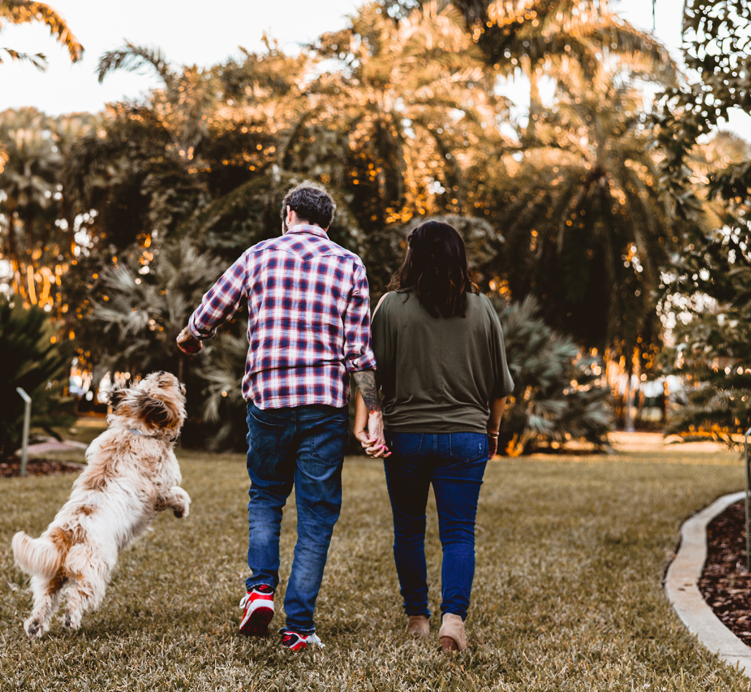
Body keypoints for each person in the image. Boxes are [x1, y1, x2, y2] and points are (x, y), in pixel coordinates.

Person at [177, 181, 383, 652]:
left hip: (268, 401)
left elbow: (211, 310)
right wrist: (373, 410)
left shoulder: (259, 255)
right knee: (316, 513)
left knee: (267, 495)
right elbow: (360, 352)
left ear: (288, 213)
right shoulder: (349, 264)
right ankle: (299, 628)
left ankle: (259, 592)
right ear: (326, 223)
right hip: (323, 406)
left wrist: (190, 337)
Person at [354, 220, 512, 654]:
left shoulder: (390, 307)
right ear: (458, 257)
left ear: (413, 256)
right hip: (466, 437)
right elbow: (500, 386)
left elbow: (369, 372)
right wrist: (492, 430)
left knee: (408, 529)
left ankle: (417, 620)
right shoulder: (482, 309)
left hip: (406, 438)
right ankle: (453, 621)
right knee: (459, 533)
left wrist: (373, 416)